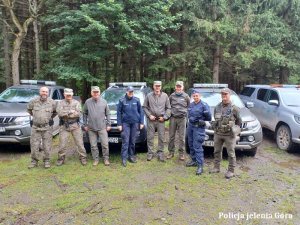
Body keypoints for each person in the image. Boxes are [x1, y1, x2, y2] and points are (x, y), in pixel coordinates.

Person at [210, 87, 242, 179]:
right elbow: (216, 120)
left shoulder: (235, 108)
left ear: (229, 95)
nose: (224, 96)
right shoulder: (217, 107)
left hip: (229, 135)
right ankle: (216, 167)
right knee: (216, 151)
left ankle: (231, 171)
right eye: (222, 94)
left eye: (226, 94)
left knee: (231, 153)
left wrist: (236, 132)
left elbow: (239, 121)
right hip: (218, 133)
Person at [56, 88, 87, 166]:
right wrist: (70, 112)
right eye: (67, 94)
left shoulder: (77, 102)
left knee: (80, 143)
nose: (68, 96)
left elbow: (79, 113)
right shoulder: (60, 103)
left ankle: (83, 158)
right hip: (64, 126)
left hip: (75, 125)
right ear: (64, 95)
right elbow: (59, 113)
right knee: (62, 144)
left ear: (72, 94)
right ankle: (61, 159)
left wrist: (66, 113)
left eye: (70, 94)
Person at [27, 86, 57, 169]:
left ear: (48, 93)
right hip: (35, 127)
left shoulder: (52, 102)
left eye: (46, 92)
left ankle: (47, 161)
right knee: (34, 145)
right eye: (43, 91)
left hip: (47, 127)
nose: (44, 93)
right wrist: (37, 118)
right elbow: (29, 110)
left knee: (47, 145)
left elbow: (55, 112)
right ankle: (34, 161)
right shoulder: (33, 101)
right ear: (40, 92)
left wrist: (48, 118)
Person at [143, 81, 171, 162]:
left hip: (161, 120)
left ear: (161, 87)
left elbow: (168, 108)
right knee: (150, 137)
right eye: (156, 86)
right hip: (151, 120)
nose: (157, 87)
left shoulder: (165, 96)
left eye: (159, 86)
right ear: (153, 86)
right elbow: (144, 107)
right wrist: (149, 115)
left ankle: (160, 153)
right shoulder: (149, 95)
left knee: (161, 137)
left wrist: (165, 117)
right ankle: (150, 153)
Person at [83, 86, 111, 166]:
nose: (96, 93)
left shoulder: (104, 102)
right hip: (91, 128)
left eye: (97, 92)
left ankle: (106, 159)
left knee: (105, 145)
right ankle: (96, 159)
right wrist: (85, 124)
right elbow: (84, 113)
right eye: (94, 92)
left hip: (102, 127)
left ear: (99, 92)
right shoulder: (87, 102)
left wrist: (108, 124)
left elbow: (108, 114)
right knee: (93, 145)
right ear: (91, 93)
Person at [117, 86, 144, 167]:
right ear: (126, 92)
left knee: (132, 141)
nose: (131, 93)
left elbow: (141, 112)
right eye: (129, 92)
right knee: (125, 141)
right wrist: (119, 124)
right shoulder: (122, 100)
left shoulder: (137, 100)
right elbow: (119, 113)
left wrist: (141, 122)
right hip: (125, 124)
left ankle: (131, 156)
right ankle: (124, 158)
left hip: (135, 123)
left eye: (132, 92)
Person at [186, 89, 211, 175]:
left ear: (199, 96)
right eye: (194, 96)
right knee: (191, 144)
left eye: (197, 96)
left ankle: (200, 166)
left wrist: (203, 121)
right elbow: (189, 115)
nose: (195, 97)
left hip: (198, 128)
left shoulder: (204, 105)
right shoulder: (191, 105)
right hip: (191, 127)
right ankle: (193, 161)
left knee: (197, 146)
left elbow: (209, 118)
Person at [167, 81, 190, 161]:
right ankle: (171, 152)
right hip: (173, 118)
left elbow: (189, 106)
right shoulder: (171, 96)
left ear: (182, 87)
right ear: (175, 87)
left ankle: (181, 153)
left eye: (180, 86)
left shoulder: (186, 96)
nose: (178, 88)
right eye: (177, 86)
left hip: (182, 119)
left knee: (182, 137)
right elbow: (168, 106)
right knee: (171, 136)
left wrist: (185, 113)